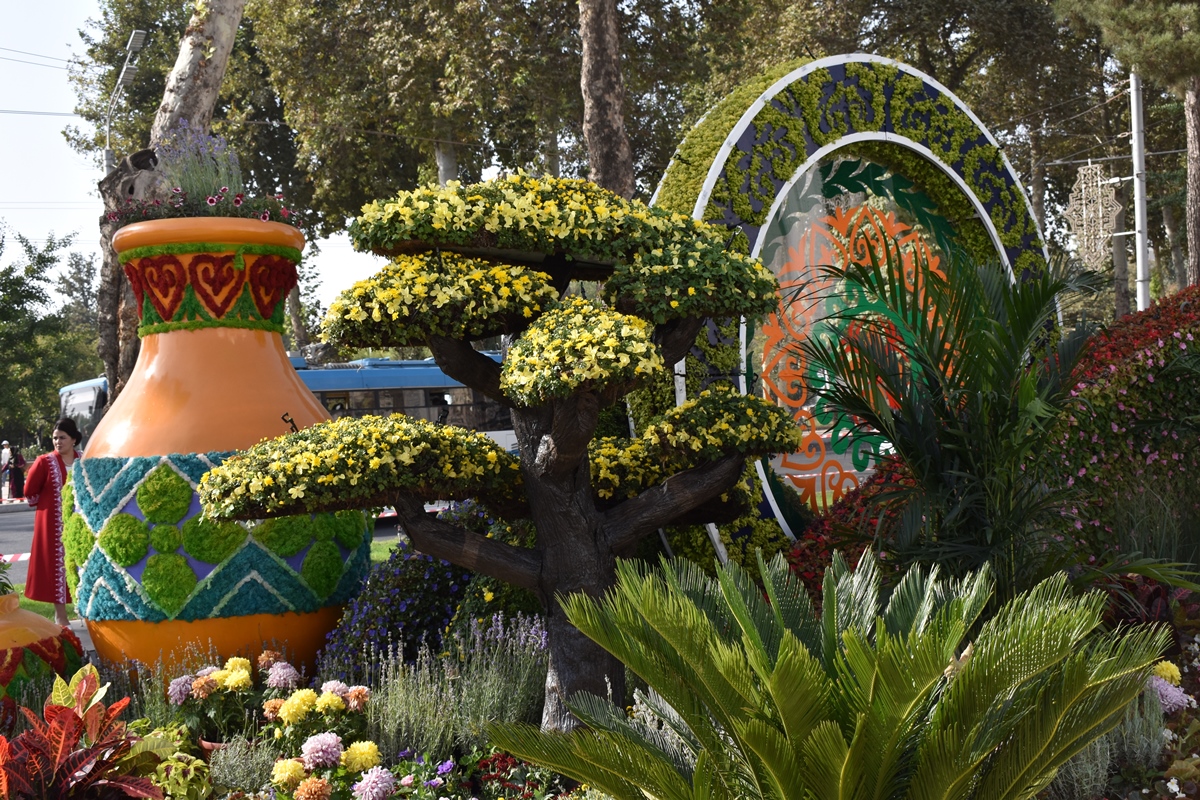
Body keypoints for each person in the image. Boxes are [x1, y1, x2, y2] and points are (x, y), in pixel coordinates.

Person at [24, 419, 82, 627]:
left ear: (73, 439)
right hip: (53, 523)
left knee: (81, 563)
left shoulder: (84, 460)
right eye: (55, 438)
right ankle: (61, 616)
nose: (58, 442)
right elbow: (30, 491)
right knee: (57, 565)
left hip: (80, 521)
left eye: (62, 437)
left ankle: (85, 610)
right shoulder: (44, 462)